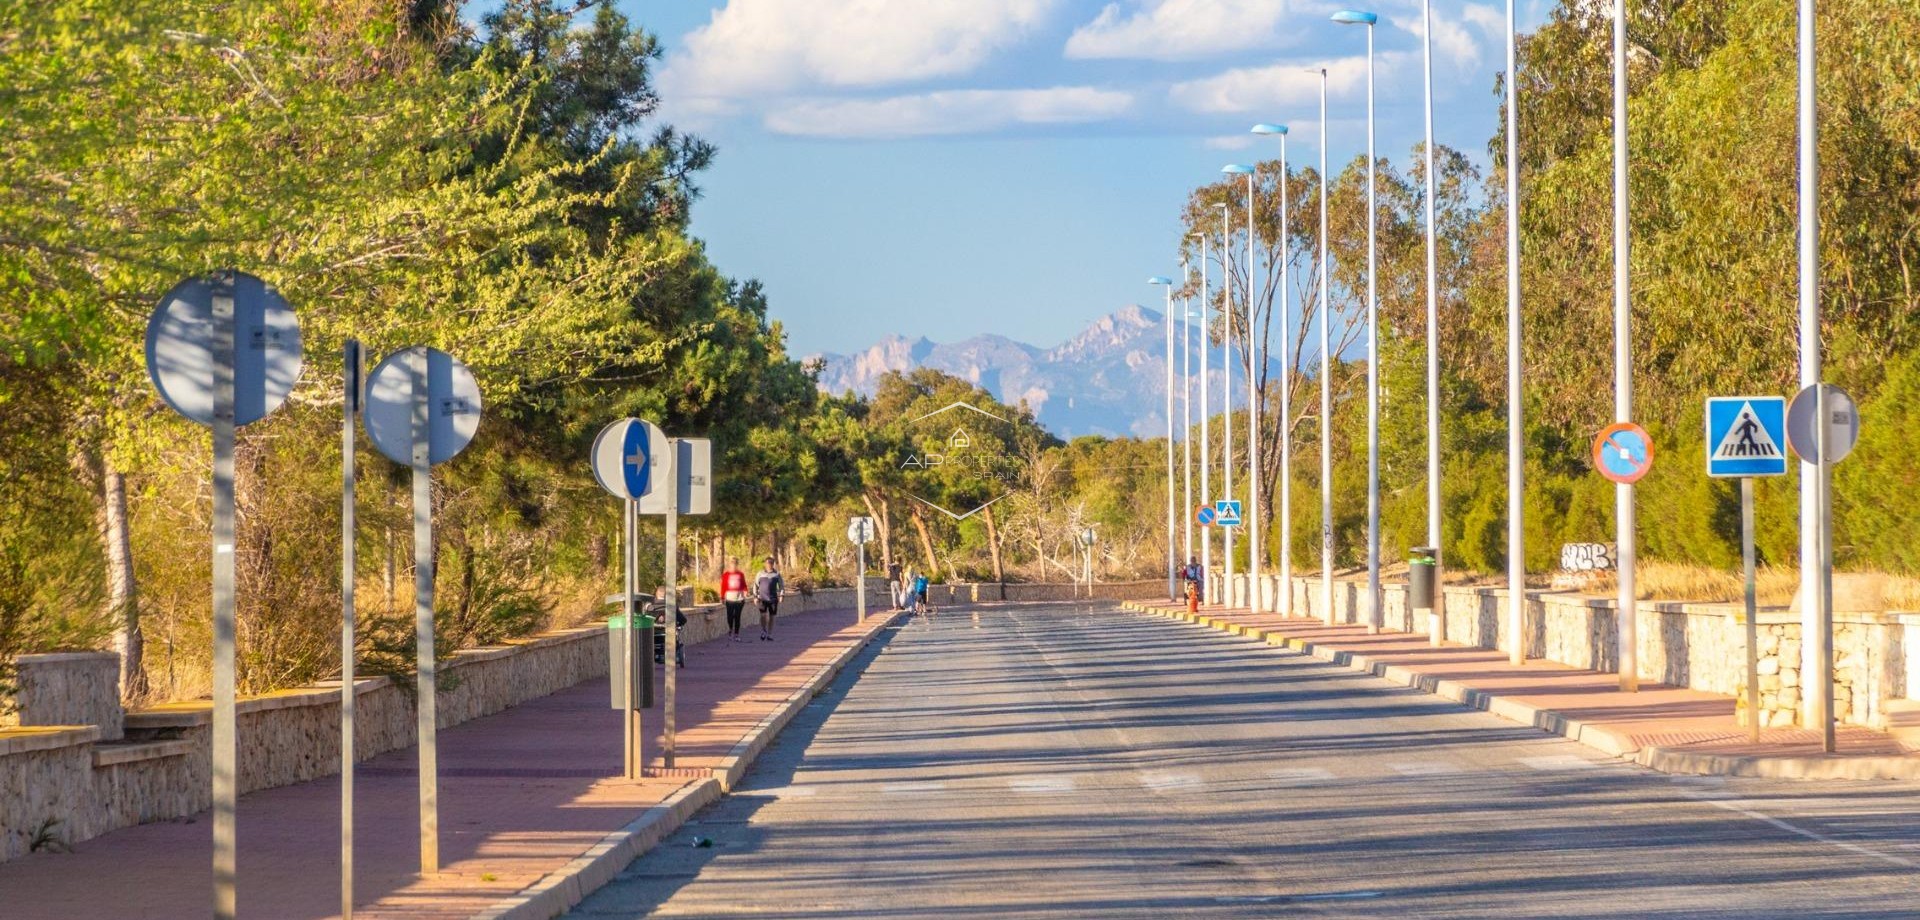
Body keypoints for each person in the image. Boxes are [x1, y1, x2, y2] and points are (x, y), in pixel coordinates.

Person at [754, 556, 783, 641]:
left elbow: (781, 586)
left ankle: (769, 634)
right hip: (762, 598)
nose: (769, 564)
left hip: (773, 599)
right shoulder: (760, 574)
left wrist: (781, 595)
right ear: (765, 564)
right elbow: (755, 585)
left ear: (773, 564)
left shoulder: (777, 574)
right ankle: (763, 631)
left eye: (770, 563)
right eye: (767, 563)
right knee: (763, 615)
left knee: (772, 616)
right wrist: (755, 596)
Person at [719, 558, 748, 642]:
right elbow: (723, 586)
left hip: (739, 598)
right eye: (732, 564)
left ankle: (736, 634)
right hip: (729, 598)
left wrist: (745, 591)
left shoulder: (740, 574)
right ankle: (730, 629)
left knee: (737, 616)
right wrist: (722, 597)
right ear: (729, 565)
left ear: (737, 565)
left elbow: (743, 585)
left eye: (735, 564)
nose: (733, 566)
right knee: (730, 616)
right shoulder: (726, 575)